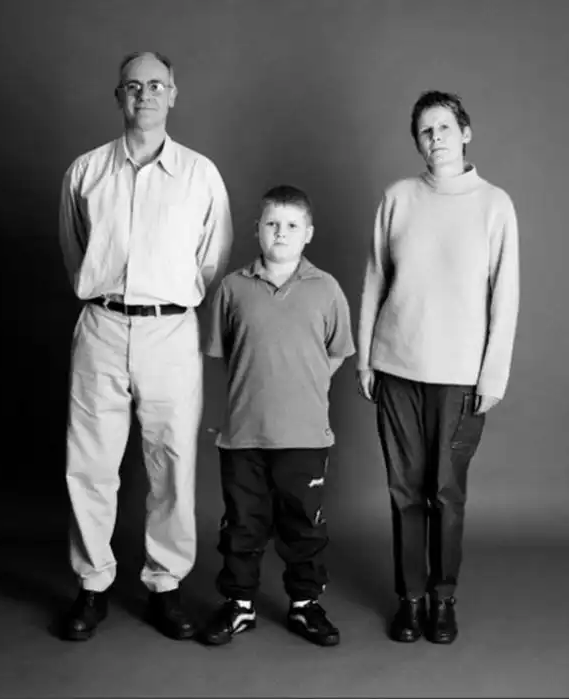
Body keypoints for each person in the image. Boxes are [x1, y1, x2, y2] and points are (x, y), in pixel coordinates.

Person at [58, 51, 233, 641]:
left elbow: (212, 256)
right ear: (119, 96)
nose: (145, 95)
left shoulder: (200, 175)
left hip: (170, 331)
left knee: (173, 463)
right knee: (89, 464)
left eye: (157, 85)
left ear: (173, 94)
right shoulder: (85, 172)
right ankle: (92, 585)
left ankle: (166, 585)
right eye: (133, 86)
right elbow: (74, 249)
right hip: (101, 327)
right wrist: (108, 294)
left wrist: (166, 297)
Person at [357, 91, 519, 644]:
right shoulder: (398, 198)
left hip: (460, 377)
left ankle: (443, 598)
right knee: (404, 491)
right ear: (418, 143)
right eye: (425, 131)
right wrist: (365, 358)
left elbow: (506, 297)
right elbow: (374, 279)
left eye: (444, 127)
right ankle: (410, 599)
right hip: (396, 368)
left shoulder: (494, 204)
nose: (435, 138)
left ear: (465, 133)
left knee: (446, 492)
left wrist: (493, 376)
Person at [199, 185, 355, 647]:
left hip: (305, 436)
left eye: (291, 225)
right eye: (272, 224)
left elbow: (337, 351)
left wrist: (303, 384)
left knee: (303, 524)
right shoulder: (232, 287)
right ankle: (239, 604)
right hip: (243, 434)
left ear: (308, 233)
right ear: (257, 230)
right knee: (242, 523)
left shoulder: (326, 289)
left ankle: (305, 604)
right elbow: (223, 354)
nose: (280, 233)